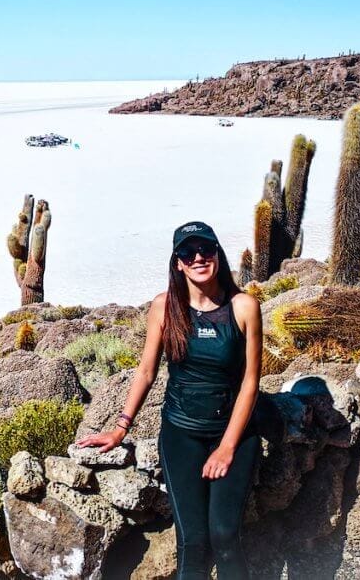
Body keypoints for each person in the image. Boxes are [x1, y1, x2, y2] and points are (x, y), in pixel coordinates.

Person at [75, 220, 263, 579]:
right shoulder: (165, 307)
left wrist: (225, 448)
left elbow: (250, 384)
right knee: (192, 540)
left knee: (224, 535)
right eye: (187, 252)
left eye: (205, 249)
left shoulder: (243, 307)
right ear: (177, 262)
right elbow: (145, 372)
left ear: (218, 255)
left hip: (233, 433)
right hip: (182, 434)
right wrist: (119, 429)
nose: (198, 257)